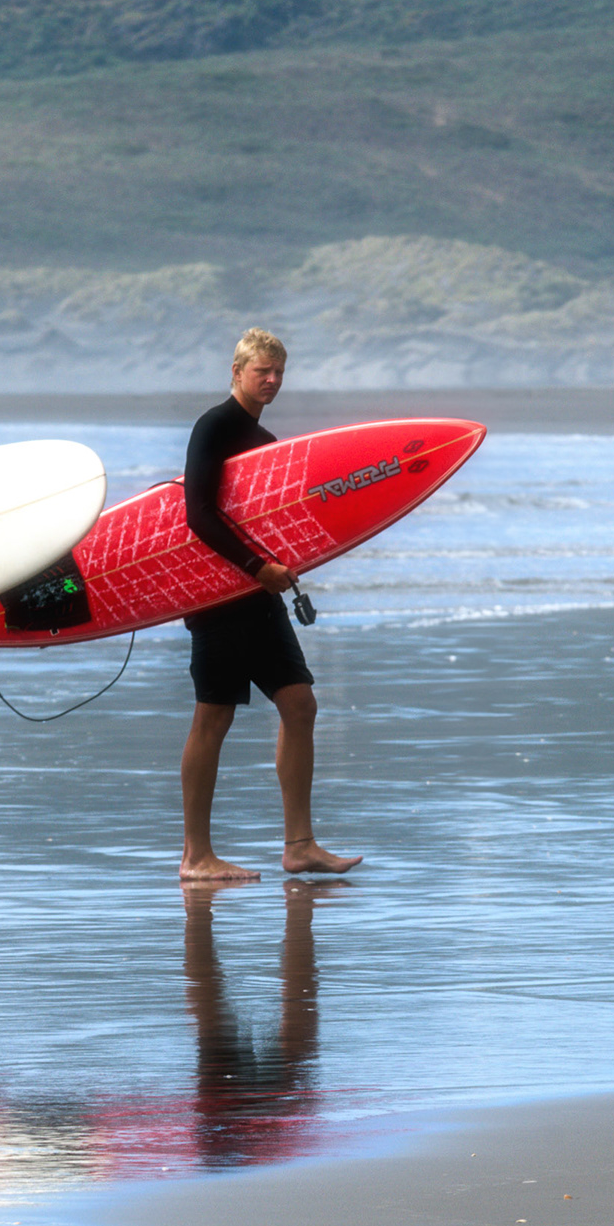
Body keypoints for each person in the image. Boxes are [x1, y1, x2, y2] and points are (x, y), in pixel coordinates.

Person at [179, 329, 362, 882]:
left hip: (258, 596)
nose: (272, 381)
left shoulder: (265, 441)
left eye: (279, 373)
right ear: (236, 372)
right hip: (217, 595)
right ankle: (196, 856)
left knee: (300, 704)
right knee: (214, 716)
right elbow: (199, 514)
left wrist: (282, 564)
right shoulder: (213, 428)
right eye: (263, 371)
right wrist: (259, 567)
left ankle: (300, 845)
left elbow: (266, 520)